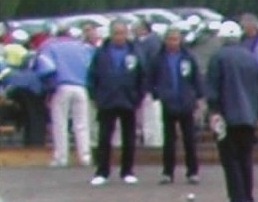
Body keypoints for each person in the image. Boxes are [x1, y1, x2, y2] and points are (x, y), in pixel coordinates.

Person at [208, 18, 258, 202]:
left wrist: (214, 111)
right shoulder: (250, 57)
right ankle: (247, 198)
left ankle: (237, 199)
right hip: (249, 115)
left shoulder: (218, 57)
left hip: (228, 114)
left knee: (229, 158)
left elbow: (213, 88)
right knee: (245, 157)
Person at [148, 26, 205, 187]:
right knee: (169, 139)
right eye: (170, 39)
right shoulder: (158, 59)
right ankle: (167, 172)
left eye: (176, 39)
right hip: (168, 103)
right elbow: (151, 78)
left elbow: (196, 78)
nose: (173, 42)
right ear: (165, 41)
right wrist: (157, 94)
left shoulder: (188, 57)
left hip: (186, 102)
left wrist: (199, 97)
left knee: (189, 139)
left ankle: (192, 171)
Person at [89, 20, 143, 185]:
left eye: (122, 33)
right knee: (104, 137)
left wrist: (137, 97)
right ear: (110, 34)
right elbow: (92, 76)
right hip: (107, 100)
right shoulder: (101, 53)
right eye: (116, 33)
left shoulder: (134, 53)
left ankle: (127, 171)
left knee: (129, 137)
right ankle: (102, 171)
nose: (119, 36)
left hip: (128, 100)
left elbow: (142, 77)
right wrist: (95, 96)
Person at [44, 22, 97, 171]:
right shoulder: (82, 47)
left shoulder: (50, 46)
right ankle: (85, 156)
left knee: (60, 124)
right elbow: (92, 67)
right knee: (82, 124)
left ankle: (61, 157)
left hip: (61, 87)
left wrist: (49, 88)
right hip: (81, 87)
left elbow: (46, 69)